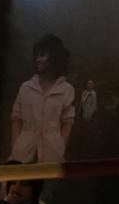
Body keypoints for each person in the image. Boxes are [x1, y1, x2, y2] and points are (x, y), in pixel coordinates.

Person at [6, 34, 79, 164]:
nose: (38, 60)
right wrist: (16, 146)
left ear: (54, 57)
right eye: (37, 56)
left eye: (42, 55)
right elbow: (16, 119)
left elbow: (67, 122)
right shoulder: (26, 88)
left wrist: (60, 145)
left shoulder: (66, 89)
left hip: (52, 154)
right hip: (23, 153)